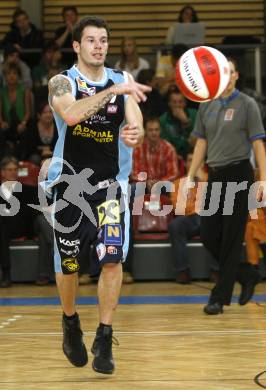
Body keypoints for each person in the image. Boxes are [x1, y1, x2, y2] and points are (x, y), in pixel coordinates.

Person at [45, 16, 151, 374]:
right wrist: (112, 93)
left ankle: (105, 335)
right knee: (70, 266)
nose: (99, 45)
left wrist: (135, 131)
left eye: (103, 39)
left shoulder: (123, 80)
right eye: (91, 40)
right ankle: (70, 321)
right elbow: (72, 116)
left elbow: (133, 118)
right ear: (76, 46)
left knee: (111, 259)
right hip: (70, 187)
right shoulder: (62, 81)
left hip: (111, 188)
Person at [186, 58, 266, 315]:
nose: (227, 76)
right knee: (208, 233)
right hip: (215, 175)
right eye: (223, 72)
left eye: (230, 72)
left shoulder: (247, 104)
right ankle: (246, 273)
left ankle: (218, 299)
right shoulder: (206, 104)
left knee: (231, 238)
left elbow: (258, 145)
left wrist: (262, 180)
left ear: (236, 75)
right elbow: (200, 143)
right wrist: (190, 176)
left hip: (239, 174)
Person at [169, 151, 219, 284]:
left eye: (197, 160)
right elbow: (178, 208)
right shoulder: (178, 183)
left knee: (220, 221)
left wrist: (203, 181)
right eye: (190, 160)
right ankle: (182, 271)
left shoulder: (211, 179)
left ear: (202, 164)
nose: (194, 164)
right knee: (175, 225)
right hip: (189, 219)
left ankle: (216, 270)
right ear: (185, 164)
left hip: (208, 218)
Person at [0, 157, 37, 287]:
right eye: (9, 170)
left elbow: (35, 210)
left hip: (23, 226)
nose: (13, 172)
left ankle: (6, 274)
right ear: (3, 172)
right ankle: (5, 273)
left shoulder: (28, 190)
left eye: (15, 169)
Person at [131, 116, 178, 193]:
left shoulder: (169, 148)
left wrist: (159, 183)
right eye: (150, 130)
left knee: (173, 188)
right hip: (143, 185)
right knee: (132, 188)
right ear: (145, 131)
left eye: (156, 130)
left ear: (160, 130)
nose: (154, 133)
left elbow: (173, 173)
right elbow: (135, 173)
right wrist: (147, 182)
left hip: (163, 185)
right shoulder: (138, 148)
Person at [0, 62, 33, 160]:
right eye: (8, 74)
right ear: (5, 76)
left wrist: (23, 123)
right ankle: (3, 161)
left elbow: (28, 112)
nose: (11, 76)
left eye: (14, 73)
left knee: (26, 132)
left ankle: (22, 160)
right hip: (7, 123)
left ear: (18, 76)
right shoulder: (1, 92)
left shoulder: (24, 90)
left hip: (22, 122)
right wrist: (1, 122)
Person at [160, 87, 197, 158]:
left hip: (193, 155)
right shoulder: (163, 120)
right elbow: (166, 145)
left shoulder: (194, 114)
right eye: (174, 102)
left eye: (180, 102)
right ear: (169, 103)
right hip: (172, 157)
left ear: (185, 103)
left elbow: (197, 139)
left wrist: (186, 121)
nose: (177, 105)